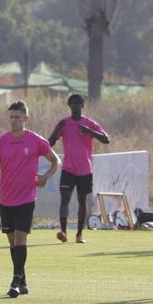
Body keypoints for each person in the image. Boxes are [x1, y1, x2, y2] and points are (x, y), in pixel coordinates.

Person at [0, 100, 59, 298]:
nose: (13, 121)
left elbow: (55, 161)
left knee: (19, 238)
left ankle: (15, 281)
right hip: (5, 200)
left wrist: (45, 177)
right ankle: (22, 280)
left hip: (26, 199)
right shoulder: (0, 142)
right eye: (11, 117)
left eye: (17, 117)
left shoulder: (36, 140)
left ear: (26, 118)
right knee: (12, 242)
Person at [47, 93, 110, 244]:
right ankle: (63, 231)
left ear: (82, 106)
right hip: (68, 168)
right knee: (65, 199)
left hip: (84, 170)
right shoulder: (64, 123)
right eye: (72, 104)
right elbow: (49, 143)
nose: (75, 106)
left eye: (78, 103)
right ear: (69, 106)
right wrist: (57, 132)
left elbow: (106, 139)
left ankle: (79, 234)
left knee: (82, 201)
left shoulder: (89, 123)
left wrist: (90, 131)